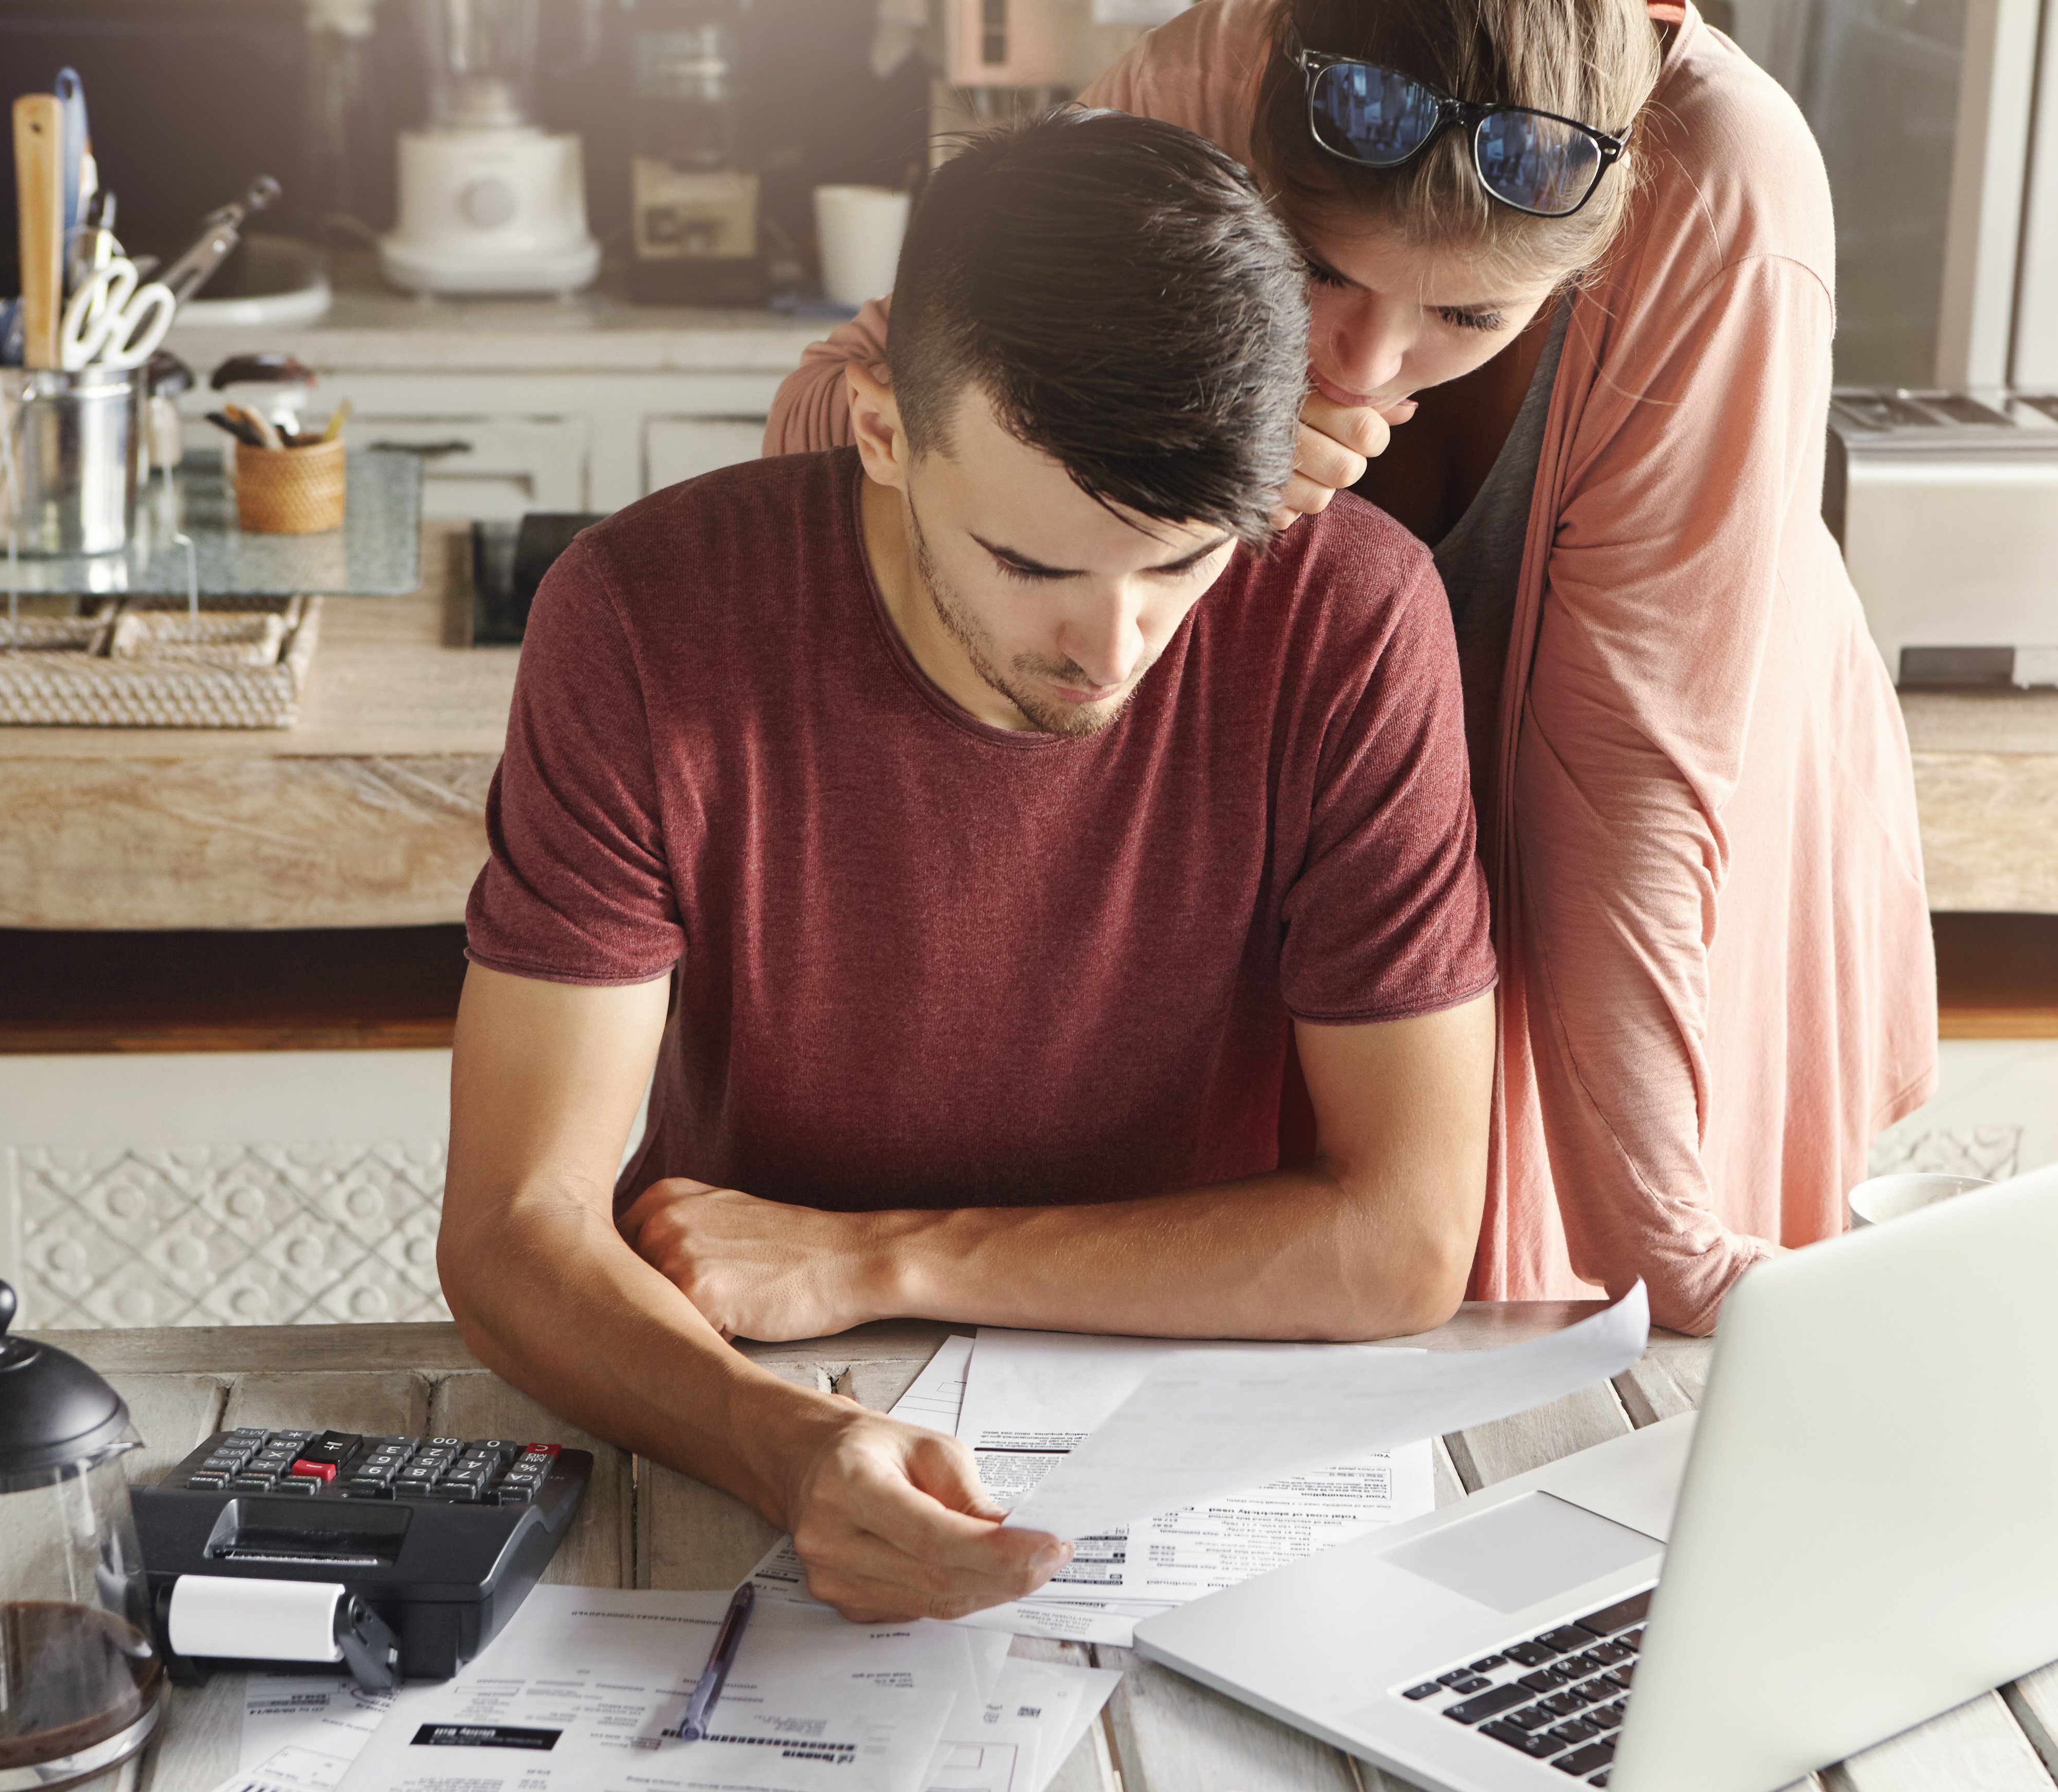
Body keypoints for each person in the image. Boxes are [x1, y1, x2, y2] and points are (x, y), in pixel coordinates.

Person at [440, 110, 1499, 1622]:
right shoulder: (642, 619)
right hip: (757, 1396)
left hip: (1194, 1441)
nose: (1113, 649)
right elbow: (510, 1229)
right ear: (881, 429)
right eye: (1033, 565)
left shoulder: (1356, 620)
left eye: (1184, 563)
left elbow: (1401, 1246)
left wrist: (878, 1259)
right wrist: (791, 1449)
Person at [768, 1, 1939, 1337]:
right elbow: (844, 416)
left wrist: (1666, 1236)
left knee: (1620, 1352)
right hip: (1349, 872)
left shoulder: (1721, 181)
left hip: (1671, 841)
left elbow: (1630, 777)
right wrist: (1198, 428)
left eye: (1471, 310)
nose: (1371, 362)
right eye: (1318, 267)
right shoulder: (1213, 74)